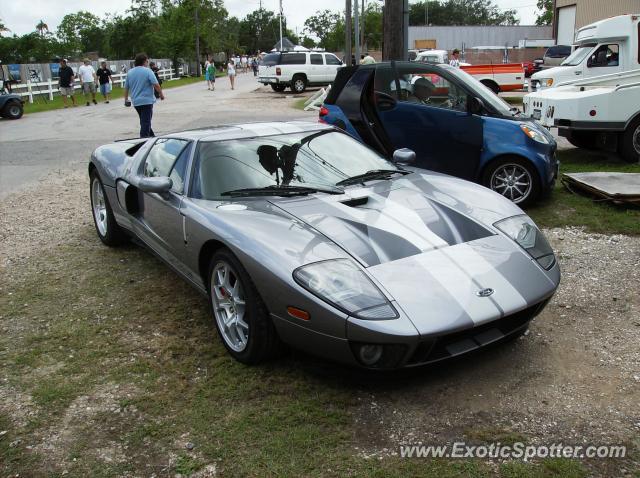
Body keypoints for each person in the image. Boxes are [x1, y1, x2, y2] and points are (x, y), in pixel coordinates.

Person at [124, 53, 165, 138]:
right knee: (145, 123)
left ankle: (153, 138)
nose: (147, 63)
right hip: (147, 101)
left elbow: (126, 87)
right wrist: (161, 94)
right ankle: (143, 141)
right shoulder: (147, 71)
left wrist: (126, 99)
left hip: (136, 102)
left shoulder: (130, 72)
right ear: (144, 61)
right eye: (147, 61)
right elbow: (156, 84)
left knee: (144, 121)